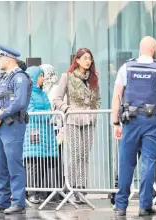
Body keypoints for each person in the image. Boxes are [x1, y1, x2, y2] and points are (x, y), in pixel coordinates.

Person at [111, 36, 156, 217]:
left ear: (140, 49)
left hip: (130, 121)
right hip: (151, 122)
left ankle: (120, 206)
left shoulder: (127, 67)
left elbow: (116, 96)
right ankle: (145, 206)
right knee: (148, 163)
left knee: (126, 163)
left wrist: (115, 122)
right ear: (154, 49)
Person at [0, 45, 32, 214]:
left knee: (14, 164)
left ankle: (18, 201)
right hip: (3, 125)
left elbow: (19, 102)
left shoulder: (19, 77)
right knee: (0, 165)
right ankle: (2, 200)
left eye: (0, 57)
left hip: (13, 125)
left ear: (8, 59)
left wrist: (0, 116)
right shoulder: (5, 78)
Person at [53, 48, 100, 203]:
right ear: (77, 60)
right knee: (75, 153)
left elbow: (98, 99)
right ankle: (72, 186)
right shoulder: (67, 77)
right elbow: (57, 100)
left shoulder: (94, 78)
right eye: (85, 58)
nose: (88, 61)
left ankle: (82, 187)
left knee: (84, 155)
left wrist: (95, 112)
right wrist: (68, 110)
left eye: (90, 58)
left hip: (89, 121)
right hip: (73, 119)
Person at [23, 66, 58, 204]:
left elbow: (49, 108)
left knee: (42, 162)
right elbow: (31, 112)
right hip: (34, 132)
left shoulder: (43, 94)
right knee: (33, 163)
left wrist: (49, 114)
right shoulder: (28, 94)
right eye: (40, 76)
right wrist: (48, 115)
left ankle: (39, 192)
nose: (42, 78)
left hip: (46, 132)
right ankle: (32, 192)